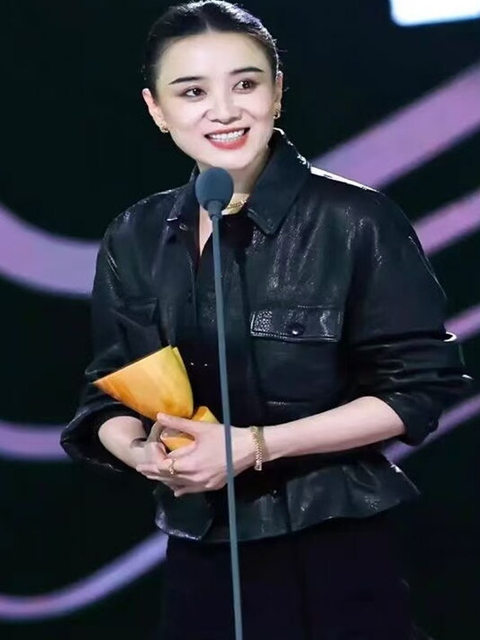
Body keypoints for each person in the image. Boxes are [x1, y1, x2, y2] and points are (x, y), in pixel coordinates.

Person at [61, 2, 472, 638]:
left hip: (332, 542)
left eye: (246, 84)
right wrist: (144, 454)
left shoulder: (357, 221)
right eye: (192, 92)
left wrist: (255, 446)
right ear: (156, 109)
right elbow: (108, 389)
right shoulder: (135, 235)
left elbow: (418, 389)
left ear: (277, 93)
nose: (224, 111)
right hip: (199, 547)